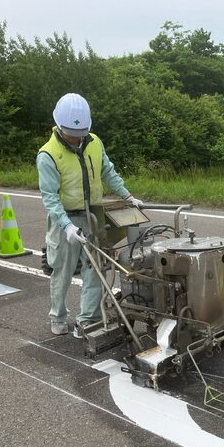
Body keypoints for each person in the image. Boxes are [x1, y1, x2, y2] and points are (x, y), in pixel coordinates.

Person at [37, 93, 143, 337]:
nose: (77, 137)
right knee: (61, 271)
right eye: (72, 133)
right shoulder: (48, 154)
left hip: (93, 215)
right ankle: (58, 317)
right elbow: (50, 197)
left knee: (95, 268)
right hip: (64, 218)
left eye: (82, 132)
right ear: (59, 126)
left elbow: (108, 171)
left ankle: (88, 319)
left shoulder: (94, 142)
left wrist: (127, 196)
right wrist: (66, 226)